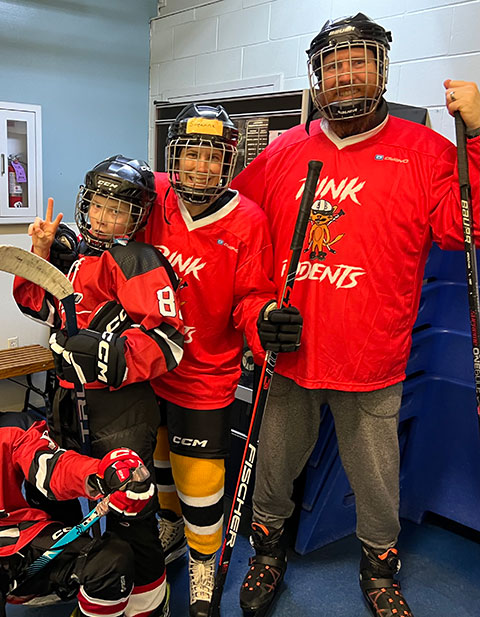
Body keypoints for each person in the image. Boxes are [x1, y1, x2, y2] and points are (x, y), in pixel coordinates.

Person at [230, 13, 480, 617]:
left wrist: (478, 134)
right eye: (332, 64)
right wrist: (259, 311)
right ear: (317, 76)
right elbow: (237, 235)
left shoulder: (425, 149)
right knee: (274, 471)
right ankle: (267, 557)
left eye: (357, 61)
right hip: (291, 355)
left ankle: (379, 568)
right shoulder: (285, 151)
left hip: (374, 355)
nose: (345, 75)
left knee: (375, 482)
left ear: (381, 67)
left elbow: (463, 225)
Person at [138, 103, 302, 617]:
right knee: (157, 457)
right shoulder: (153, 197)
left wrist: (264, 319)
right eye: (191, 154)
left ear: (228, 160)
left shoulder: (247, 220)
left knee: (200, 475)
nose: (201, 166)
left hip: (204, 373)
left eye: (212, 156)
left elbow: (249, 297)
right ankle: (169, 528)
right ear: (174, 158)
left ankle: (204, 560)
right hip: (146, 365)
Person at [13, 155, 185, 617]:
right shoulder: (78, 259)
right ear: (86, 204)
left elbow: (169, 341)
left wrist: (109, 352)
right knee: (60, 489)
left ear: (137, 217)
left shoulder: (139, 259)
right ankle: (83, 580)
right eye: (100, 205)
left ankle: (150, 600)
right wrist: (42, 255)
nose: (106, 217)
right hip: (69, 398)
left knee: (129, 509)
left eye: (120, 209)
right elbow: (38, 306)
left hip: (121, 408)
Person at [0, 410, 155, 617]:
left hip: (15, 540)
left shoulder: (13, 426)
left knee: (109, 563)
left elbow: (52, 466)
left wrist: (100, 474)